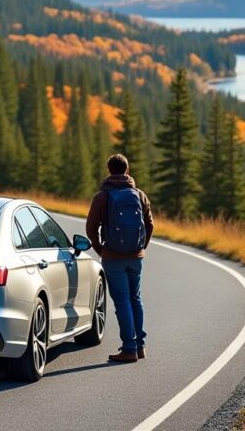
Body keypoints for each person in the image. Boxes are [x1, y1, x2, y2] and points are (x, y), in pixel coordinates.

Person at [85, 154, 154, 363]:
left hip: (113, 257)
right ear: (127, 170)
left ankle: (129, 348)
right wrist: (141, 247)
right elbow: (150, 225)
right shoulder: (139, 195)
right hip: (136, 257)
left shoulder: (102, 197)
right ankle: (140, 346)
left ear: (109, 170)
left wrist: (101, 250)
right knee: (136, 299)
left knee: (122, 301)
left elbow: (91, 229)